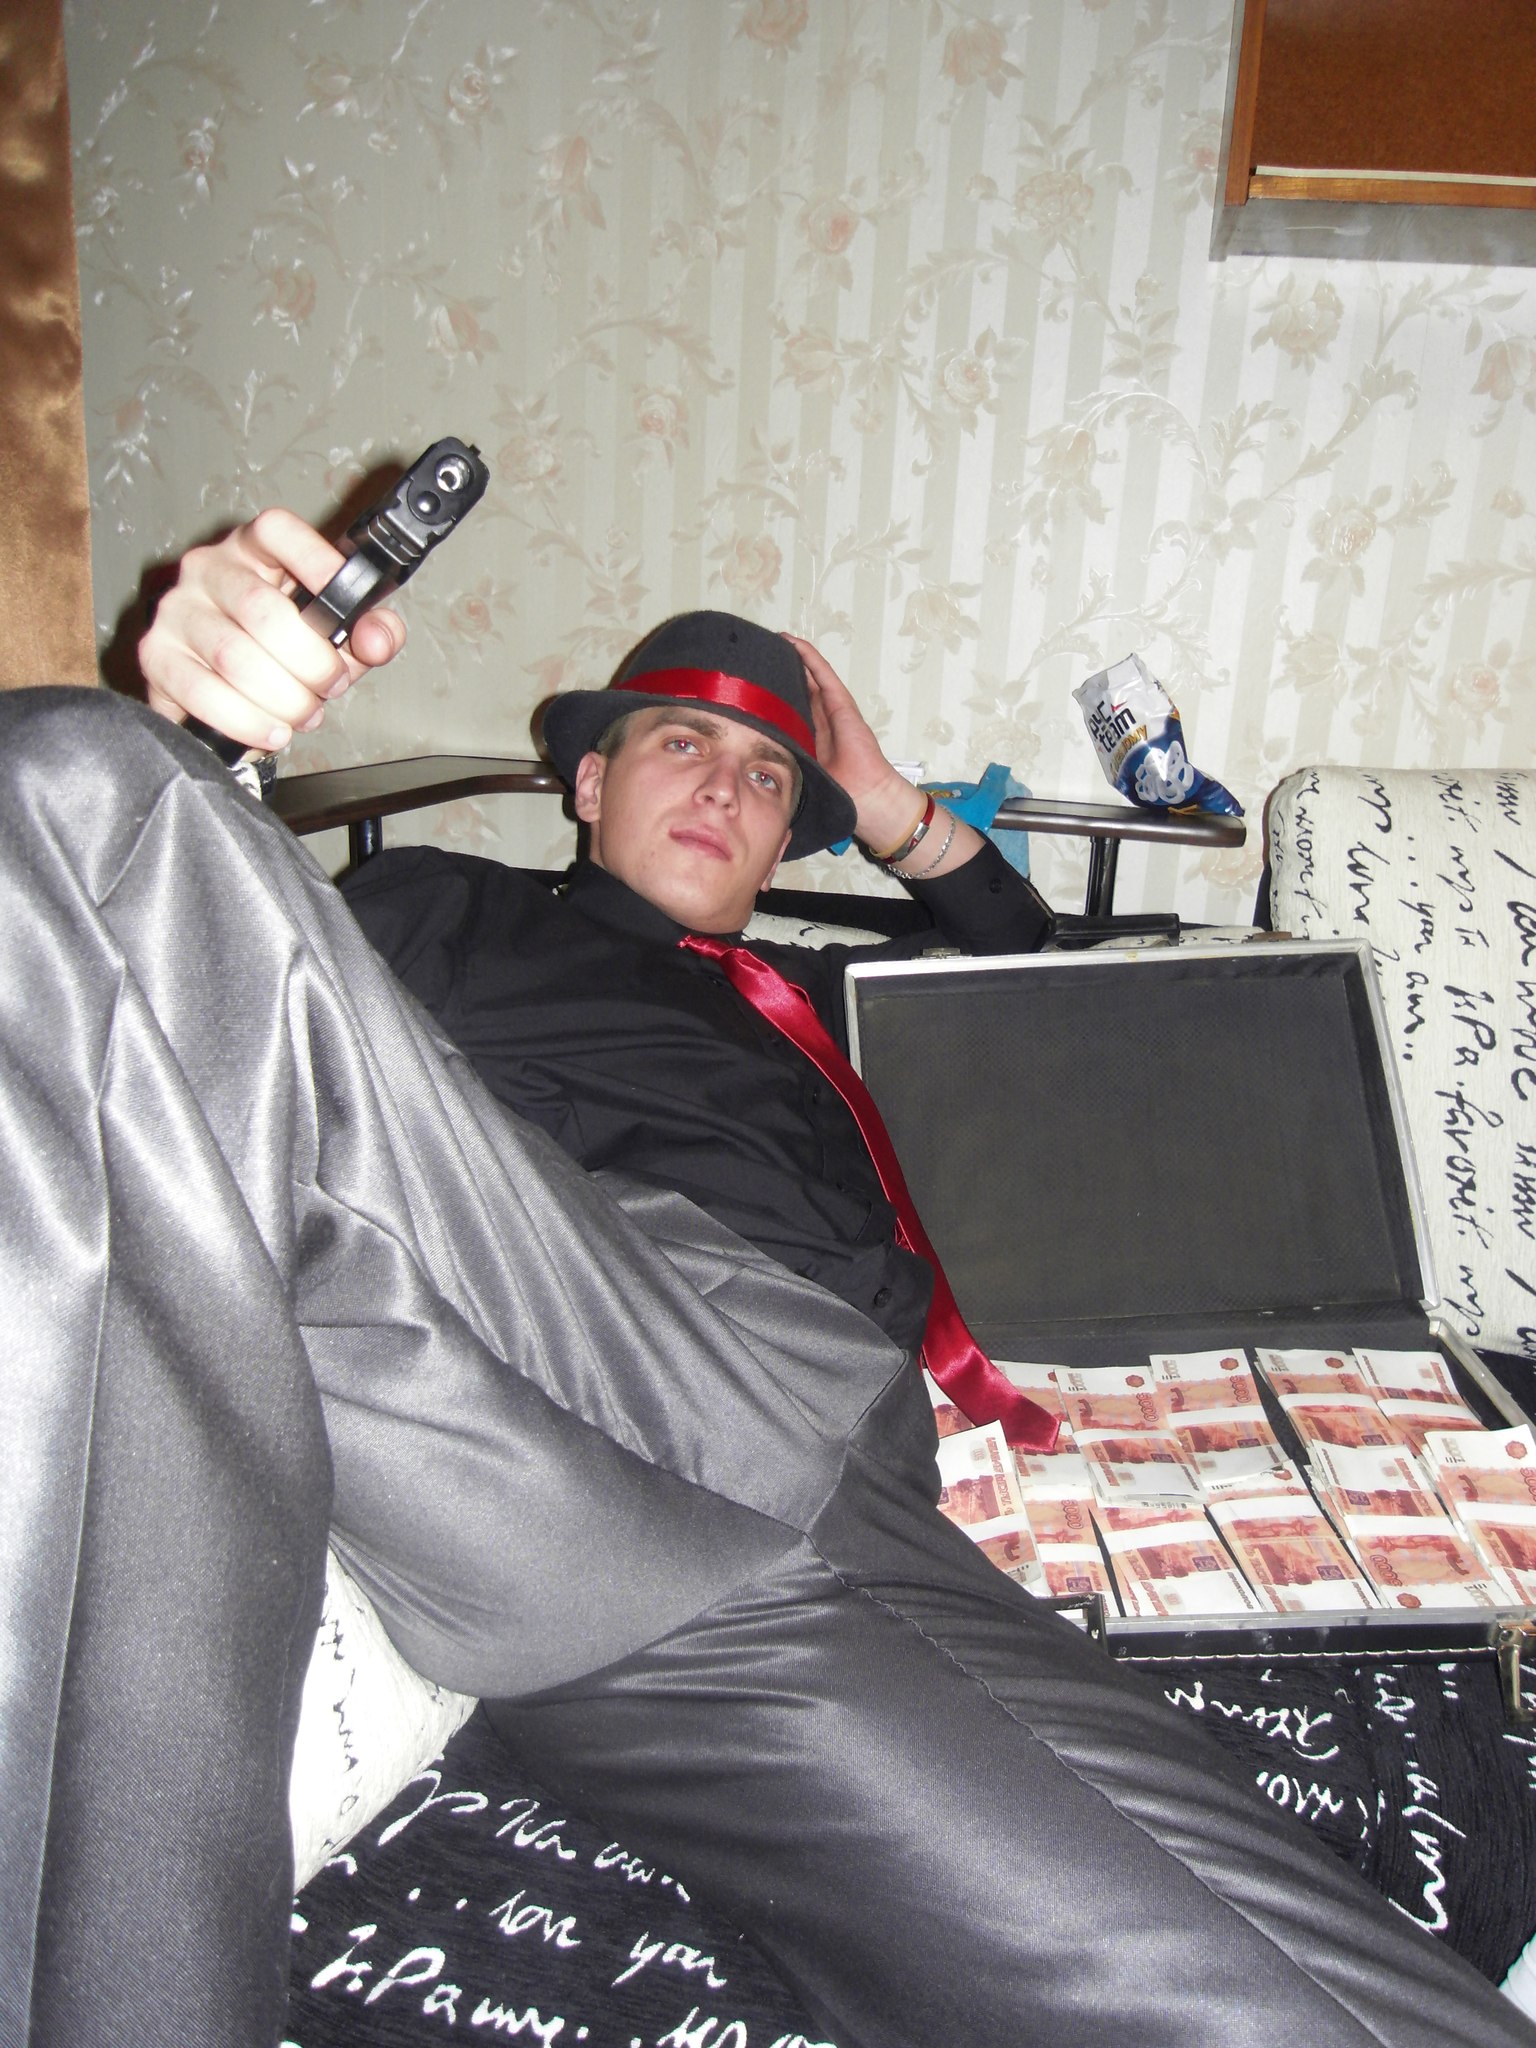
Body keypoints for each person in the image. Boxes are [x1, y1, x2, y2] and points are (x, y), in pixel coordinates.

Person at [6, 505, 1534, 2048]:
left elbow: (1050, 974)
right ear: (588, 782)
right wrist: (205, 740)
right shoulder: (440, 908)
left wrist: (887, 803)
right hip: (519, 1312)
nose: (725, 788)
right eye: (682, 745)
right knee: (69, 777)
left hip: (751, 1479)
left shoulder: (824, 992)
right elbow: (190, 988)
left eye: (766, 777)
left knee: (1228, 1966)